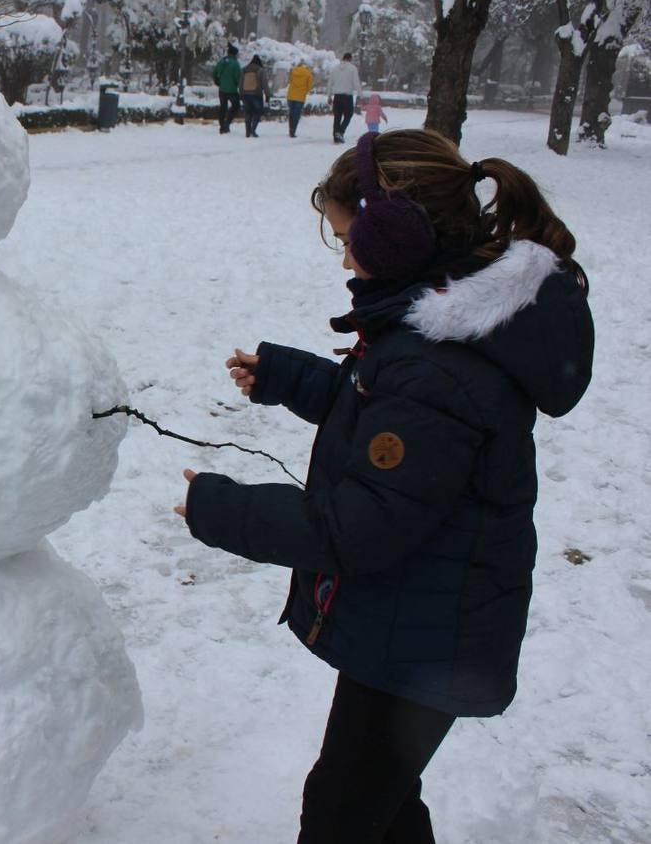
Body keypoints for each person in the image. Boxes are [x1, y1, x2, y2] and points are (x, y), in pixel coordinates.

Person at [175, 129, 593, 843]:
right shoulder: (439, 331)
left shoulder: (441, 364)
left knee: (343, 809)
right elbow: (383, 415)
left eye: (345, 237)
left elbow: (357, 526)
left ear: (398, 236)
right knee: (382, 799)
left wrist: (221, 508)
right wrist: (288, 378)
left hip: (428, 643)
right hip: (422, 624)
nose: (342, 255)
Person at [329, 52, 361, 143]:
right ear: (350, 59)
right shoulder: (353, 69)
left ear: (343, 58)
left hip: (337, 96)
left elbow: (330, 83)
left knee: (337, 117)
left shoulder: (334, 69)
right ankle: (340, 131)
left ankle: (336, 136)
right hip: (347, 96)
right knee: (348, 115)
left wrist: (329, 96)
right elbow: (356, 83)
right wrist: (360, 94)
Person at [212, 43, 243, 134]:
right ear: (234, 54)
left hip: (222, 89)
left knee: (223, 107)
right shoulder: (235, 64)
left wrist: (218, 82)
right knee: (236, 106)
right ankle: (227, 123)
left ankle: (222, 127)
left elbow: (214, 73)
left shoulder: (222, 61)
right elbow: (238, 78)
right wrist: (239, 87)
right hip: (232, 90)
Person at [239, 55, 271, 138]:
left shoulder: (244, 70)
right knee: (257, 112)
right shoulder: (260, 70)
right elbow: (265, 84)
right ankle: (253, 130)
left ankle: (247, 131)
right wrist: (267, 95)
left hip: (245, 94)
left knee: (247, 113)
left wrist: (241, 94)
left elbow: (240, 83)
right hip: (256, 94)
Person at [286, 60, 314, 138]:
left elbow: (289, 80)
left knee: (291, 113)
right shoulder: (308, 73)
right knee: (296, 115)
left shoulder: (293, 71)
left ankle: (290, 129)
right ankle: (293, 131)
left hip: (290, 96)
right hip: (300, 97)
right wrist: (304, 92)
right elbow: (309, 86)